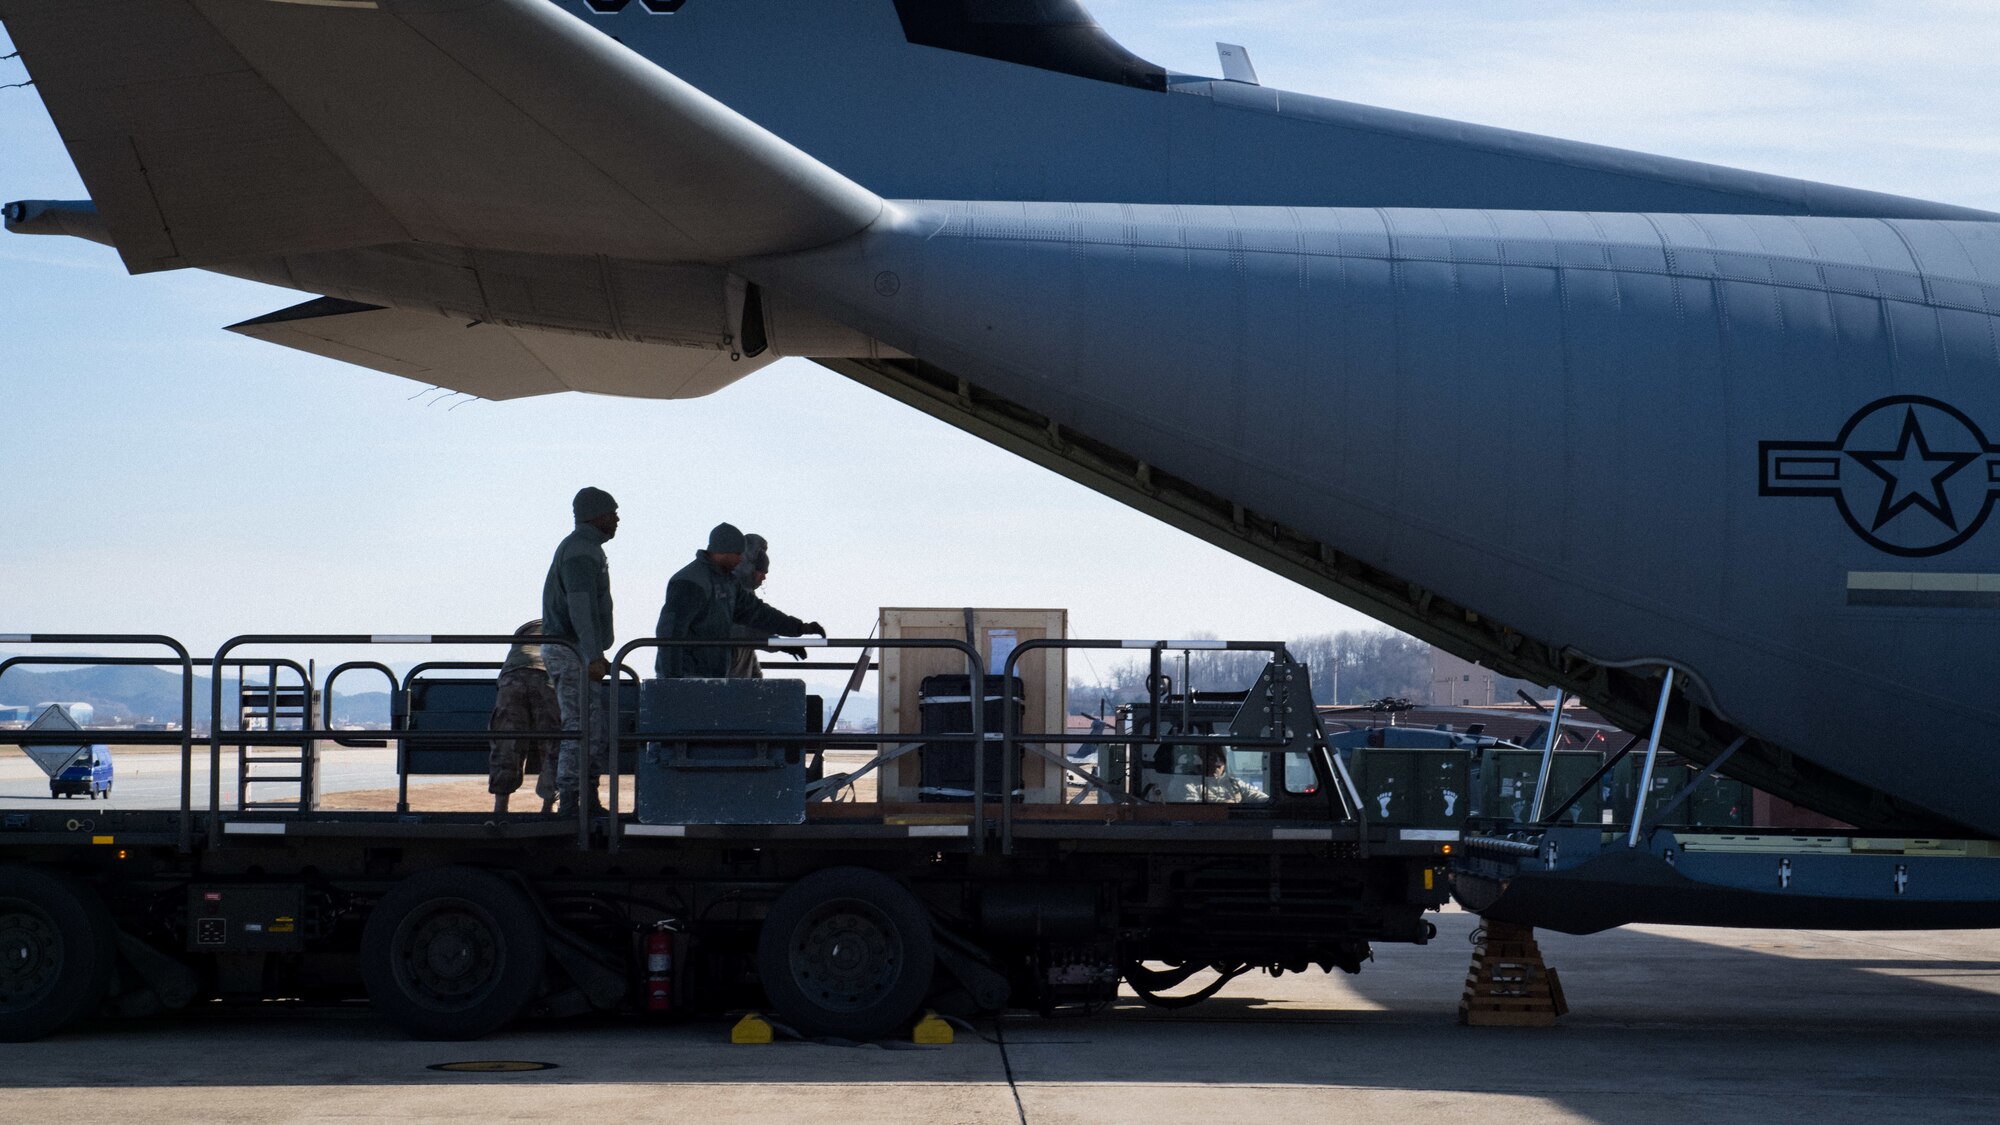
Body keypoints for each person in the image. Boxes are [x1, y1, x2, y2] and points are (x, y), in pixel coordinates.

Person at [656, 522, 823, 680]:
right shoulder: (691, 582)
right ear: (723, 551)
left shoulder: (728, 584)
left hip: (713, 678)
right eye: (737, 554)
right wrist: (672, 681)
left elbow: (757, 613)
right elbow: (670, 633)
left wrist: (798, 627)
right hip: (689, 677)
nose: (741, 560)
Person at [543, 487, 618, 814]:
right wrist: (592, 655)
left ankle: (585, 798)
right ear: (595, 515)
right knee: (581, 727)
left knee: (590, 727)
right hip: (572, 650)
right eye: (612, 512)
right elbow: (581, 606)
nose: (617, 519)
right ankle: (573, 803)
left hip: (576, 649)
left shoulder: (584, 548)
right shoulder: (581, 551)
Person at [487, 619, 560, 815]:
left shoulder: (522, 638)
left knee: (507, 741)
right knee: (554, 742)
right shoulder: (564, 626)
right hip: (547, 676)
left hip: (512, 675)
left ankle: (500, 805)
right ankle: (548, 805)